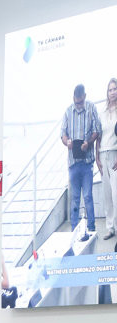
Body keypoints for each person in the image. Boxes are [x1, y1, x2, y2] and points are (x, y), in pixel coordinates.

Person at [61, 82, 102, 240]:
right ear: (73, 98)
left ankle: (91, 229)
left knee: (88, 196)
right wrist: (67, 142)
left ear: (84, 97)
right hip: (72, 163)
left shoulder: (91, 108)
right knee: (75, 198)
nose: (78, 105)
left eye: (80, 102)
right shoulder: (67, 111)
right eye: (76, 102)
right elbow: (62, 134)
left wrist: (88, 143)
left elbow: (97, 130)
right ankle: (74, 230)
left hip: (86, 163)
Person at [98, 78, 117, 240]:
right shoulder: (102, 113)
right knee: (107, 195)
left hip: (115, 155)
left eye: (115, 89)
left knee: (116, 193)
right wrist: (97, 157)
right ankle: (110, 228)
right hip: (103, 154)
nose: (113, 92)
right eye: (110, 90)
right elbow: (99, 135)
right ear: (107, 92)